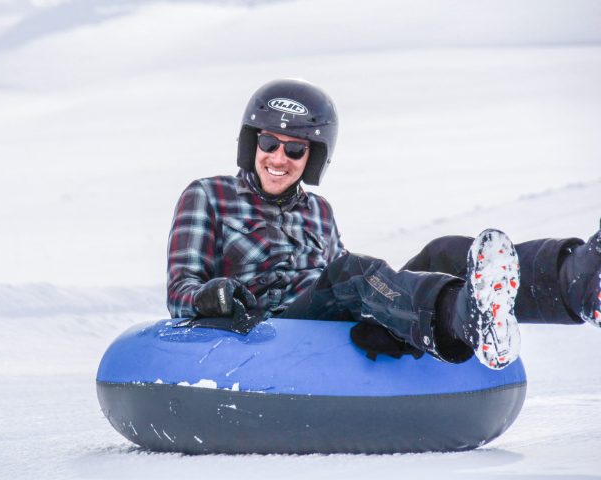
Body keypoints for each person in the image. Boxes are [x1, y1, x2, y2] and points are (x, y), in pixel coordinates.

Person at [166, 78, 601, 370]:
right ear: (251, 142)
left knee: (444, 252)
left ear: (312, 157)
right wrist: (211, 295)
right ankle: (468, 316)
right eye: (268, 142)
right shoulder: (208, 196)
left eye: (295, 150)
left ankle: (577, 281)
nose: (278, 158)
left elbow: (352, 291)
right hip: (272, 331)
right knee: (350, 274)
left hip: (325, 326)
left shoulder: (319, 211)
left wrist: (387, 323)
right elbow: (179, 291)